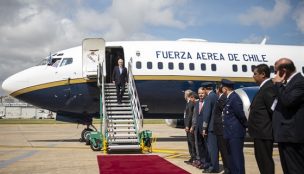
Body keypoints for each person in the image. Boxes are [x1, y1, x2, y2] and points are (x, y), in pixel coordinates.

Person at [272, 58, 304, 174]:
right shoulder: (289, 83)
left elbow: (288, 101)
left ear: (284, 70)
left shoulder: (300, 82)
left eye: (276, 71)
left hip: (292, 136)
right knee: (288, 169)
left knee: (295, 169)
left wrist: (279, 84)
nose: (275, 75)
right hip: (285, 135)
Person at [248, 64, 276, 174]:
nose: (253, 76)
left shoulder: (268, 87)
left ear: (263, 74)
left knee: (265, 161)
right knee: (261, 160)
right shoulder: (264, 87)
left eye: (255, 74)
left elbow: (273, 109)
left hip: (264, 133)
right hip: (260, 132)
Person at [221, 79, 247, 174]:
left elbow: (240, 114)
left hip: (235, 134)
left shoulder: (234, 98)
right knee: (231, 158)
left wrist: (245, 126)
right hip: (229, 133)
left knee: (237, 158)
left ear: (225, 89)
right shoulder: (230, 98)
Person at [201, 82, 219, 173]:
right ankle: (212, 165)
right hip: (216, 126)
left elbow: (207, 115)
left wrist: (204, 128)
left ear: (205, 89)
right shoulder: (215, 96)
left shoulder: (209, 98)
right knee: (214, 148)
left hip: (211, 127)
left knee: (212, 148)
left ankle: (214, 167)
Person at [213, 85, 230, 174]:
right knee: (223, 151)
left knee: (224, 151)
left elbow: (223, 112)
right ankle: (227, 168)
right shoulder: (220, 98)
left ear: (218, 90)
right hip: (219, 128)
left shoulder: (223, 98)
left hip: (221, 128)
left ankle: (228, 169)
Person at [191, 87, 209, 169]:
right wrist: (193, 126)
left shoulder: (208, 102)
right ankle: (201, 162)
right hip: (197, 128)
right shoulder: (197, 103)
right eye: (199, 93)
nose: (200, 95)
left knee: (206, 146)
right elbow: (195, 116)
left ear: (205, 93)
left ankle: (206, 162)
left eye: (202, 93)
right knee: (199, 145)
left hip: (204, 128)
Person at [183, 90, 197, 165]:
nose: (184, 96)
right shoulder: (188, 103)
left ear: (187, 95)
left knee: (191, 142)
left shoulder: (191, 103)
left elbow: (190, 116)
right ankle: (192, 157)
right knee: (189, 142)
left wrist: (188, 125)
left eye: (185, 94)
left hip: (190, 126)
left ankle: (194, 158)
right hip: (188, 126)